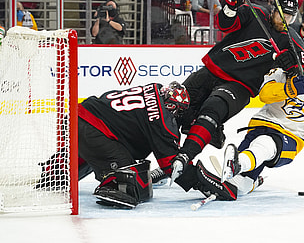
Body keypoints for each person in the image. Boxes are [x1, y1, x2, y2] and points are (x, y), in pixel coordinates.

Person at [169, 0, 304, 189]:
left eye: (289, 16)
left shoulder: (292, 42)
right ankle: (166, 157)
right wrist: (231, 2)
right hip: (211, 71)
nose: (284, 20)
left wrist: (292, 68)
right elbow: (225, 23)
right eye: (281, 14)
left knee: (211, 109)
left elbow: (301, 78)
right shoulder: (255, 14)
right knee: (174, 108)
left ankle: (184, 158)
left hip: (239, 86)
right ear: (273, 9)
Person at [37, 82, 191, 208]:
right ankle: (111, 186)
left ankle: (57, 171)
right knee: (129, 178)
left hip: (78, 118)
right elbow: (168, 161)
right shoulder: (161, 117)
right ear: (173, 106)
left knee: (99, 151)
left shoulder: (153, 89)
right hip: (88, 127)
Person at [220, 58, 304, 195]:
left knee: (266, 143)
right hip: (261, 125)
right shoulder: (285, 75)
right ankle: (248, 179)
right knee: (241, 183)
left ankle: (238, 163)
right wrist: (293, 87)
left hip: (290, 138)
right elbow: (265, 94)